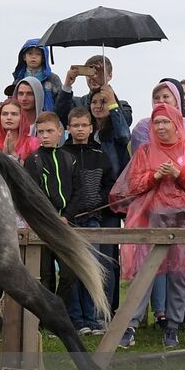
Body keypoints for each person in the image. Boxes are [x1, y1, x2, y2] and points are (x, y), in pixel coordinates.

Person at [110, 103, 185, 349]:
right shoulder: (145, 151)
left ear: (177, 124)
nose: (160, 126)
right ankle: (131, 325)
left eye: (165, 121)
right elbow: (132, 186)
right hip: (151, 218)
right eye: (156, 122)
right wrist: (154, 176)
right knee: (145, 273)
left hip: (183, 219)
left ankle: (173, 326)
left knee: (179, 272)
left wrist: (179, 174)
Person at [62, 107, 117, 333]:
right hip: (70, 220)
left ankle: (94, 318)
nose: (80, 129)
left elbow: (110, 183)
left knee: (92, 269)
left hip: (94, 218)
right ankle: (77, 319)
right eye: (76, 125)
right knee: (73, 269)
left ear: (91, 128)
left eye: (84, 125)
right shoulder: (63, 154)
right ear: (68, 128)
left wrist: (99, 201)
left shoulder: (100, 155)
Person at [23, 112, 74, 295]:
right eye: (41, 131)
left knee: (69, 274)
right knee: (44, 275)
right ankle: (43, 321)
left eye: (49, 131)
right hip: (43, 225)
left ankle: (58, 311)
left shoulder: (68, 158)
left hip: (66, 225)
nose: (45, 136)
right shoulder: (33, 160)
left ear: (60, 132)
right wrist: (49, 217)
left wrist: (67, 215)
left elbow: (77, 191)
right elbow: (31, 195)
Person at [130, 79, 185, 155]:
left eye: (165, 97)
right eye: (156, 98)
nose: (161, 101)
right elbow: (140, 156)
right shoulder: (144, 126)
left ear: (177, 100)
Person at [55, 54, 133, 126]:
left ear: (110, 75)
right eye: (90, 72)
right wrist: (67, 85)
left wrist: (106, 89)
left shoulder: (123, 106)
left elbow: (124, 123)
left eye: (99, 73)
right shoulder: (77, 104)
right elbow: (60, 118)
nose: (94, 77)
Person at [90, 86, 132, 179]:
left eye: (103, 102)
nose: (97, 106)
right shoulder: (88, 132)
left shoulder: (117, 130)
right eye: (94, 102)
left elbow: (124, 136)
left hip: (116, 186)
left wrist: (112, 103)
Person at [11, 39, 61, 111]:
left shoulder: (52, 78)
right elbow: (12, 102)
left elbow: (60, 103)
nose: (33, 57)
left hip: (46, 118)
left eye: (38, 54)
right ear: (24, 57)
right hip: (23, 118)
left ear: (44, 58)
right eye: (30, 53)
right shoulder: (19, 78)